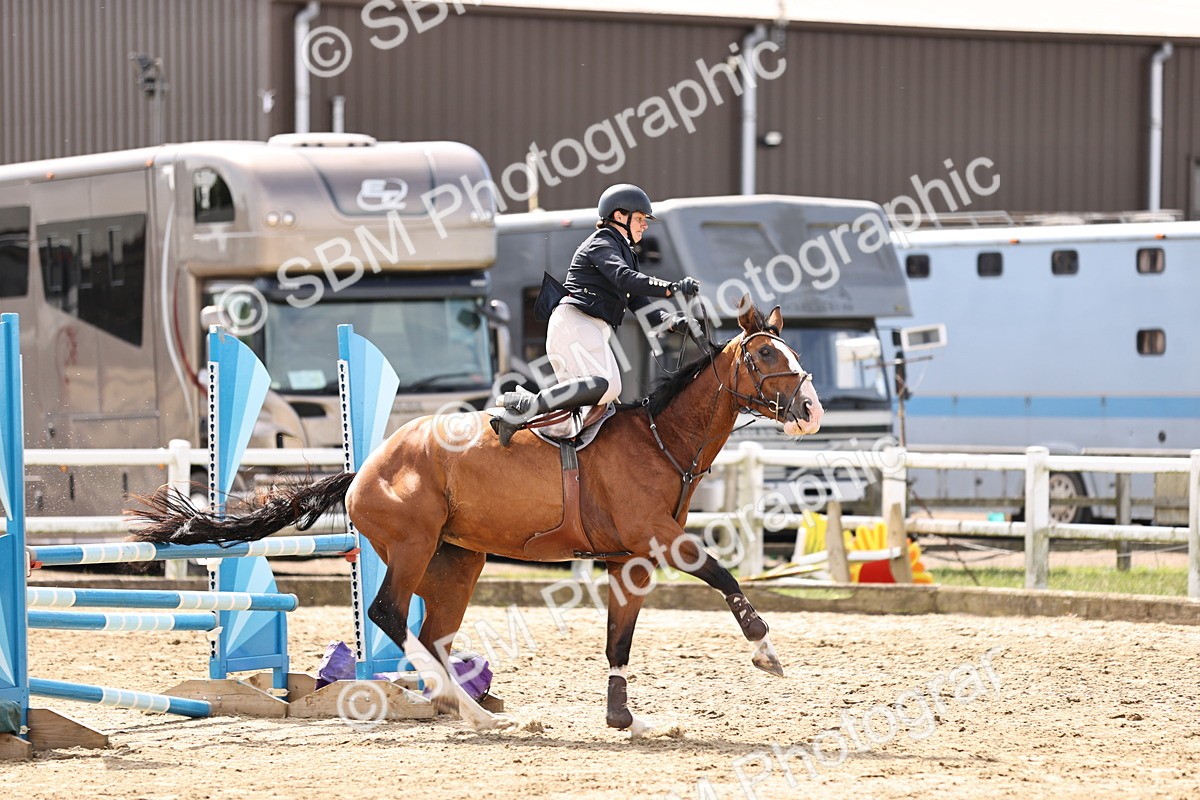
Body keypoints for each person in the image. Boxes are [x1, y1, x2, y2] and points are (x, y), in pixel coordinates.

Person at [494, 183, 700, 446]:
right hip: (575, 322)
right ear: (618, 217)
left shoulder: (625, 254)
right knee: (608, 385)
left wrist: (675, 323)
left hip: (586, 328)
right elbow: (624, 279)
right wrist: (671, 288)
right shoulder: (601, 243)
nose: (644, 225)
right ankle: (526, 403)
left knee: (593, 414)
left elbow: (645, 311)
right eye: (639, 218)